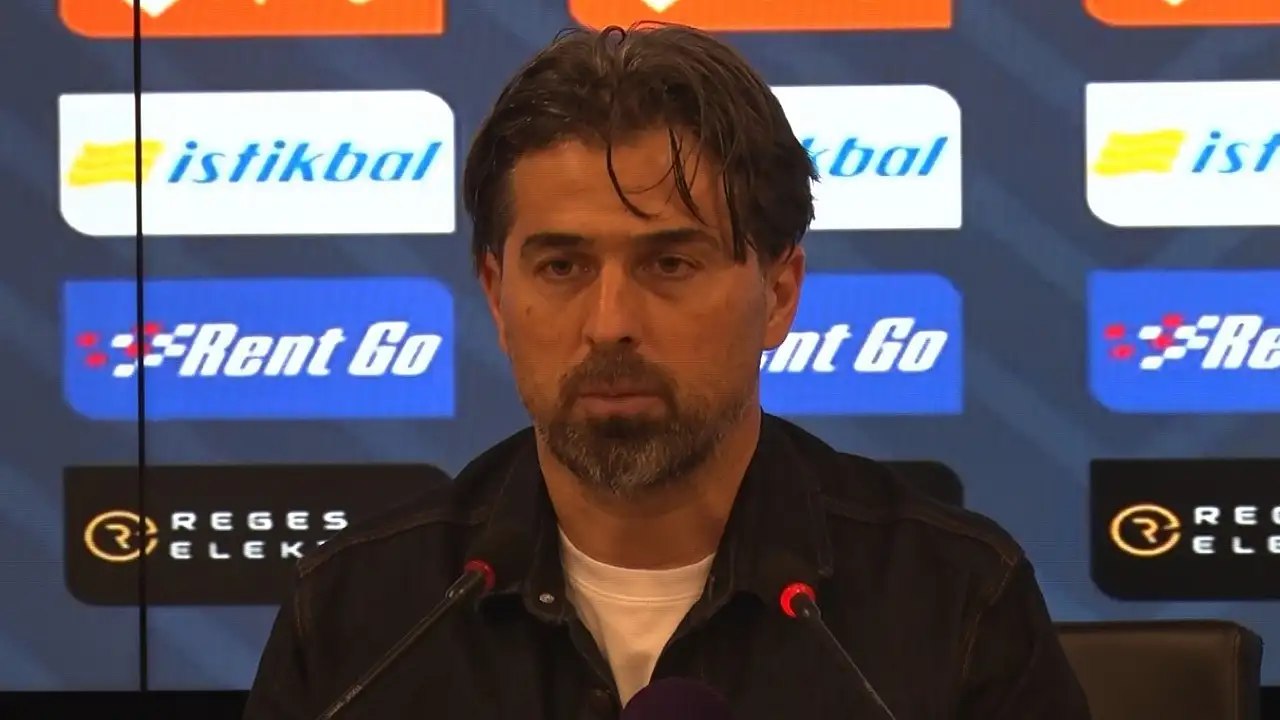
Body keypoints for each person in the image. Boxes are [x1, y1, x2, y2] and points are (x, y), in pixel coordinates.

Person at [244, 23, 1091, 720]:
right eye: (562, 267)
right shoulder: (361, 618)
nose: (610, 323)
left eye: (670, 264)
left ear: (779, 293)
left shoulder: (955, 602)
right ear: (497, 295)